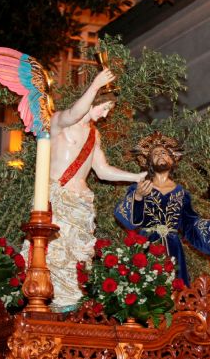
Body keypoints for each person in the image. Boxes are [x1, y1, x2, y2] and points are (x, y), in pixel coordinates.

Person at [25, 69, 146, 312]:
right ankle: (48, 304)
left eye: (109, 110)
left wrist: (135, 177)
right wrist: (95, 85)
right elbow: (75, 112)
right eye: (104, 108)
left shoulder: (94, 134)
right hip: (57, 200)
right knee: (55, 254)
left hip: (80, 204)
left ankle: (73, 305)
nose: (105, 114)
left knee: (78, 257)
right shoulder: (60, 122)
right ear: (93, 100)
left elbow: (102, 170)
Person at [114, 132, 210, 286]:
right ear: (148, 162)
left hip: (174, 250)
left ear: (172, 160)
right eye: (155, 154)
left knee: (176, 290)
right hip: (147, 247)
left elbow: (191, 225)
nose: (160, 155)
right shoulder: (141, 187)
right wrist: (138, 197)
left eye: (164, 152)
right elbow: (128, 220)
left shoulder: (182, 193)